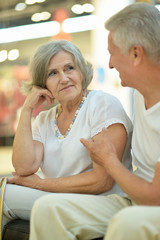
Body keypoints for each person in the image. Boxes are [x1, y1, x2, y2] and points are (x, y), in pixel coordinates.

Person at [28, 2, 160, 240]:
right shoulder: (141, 93)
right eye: (52, 73)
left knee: (127, 223)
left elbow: (153, 197)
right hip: (132, 199)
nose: (109, 63)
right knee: (47, 209)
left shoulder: (103, 103)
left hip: (149, 202)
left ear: (136, 54)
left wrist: (109, 161)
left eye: (112, 53)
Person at [2, 40, 132, 233]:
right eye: (52, 73)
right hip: (61, 198)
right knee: (2, 194)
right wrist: (27, 110)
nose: (64, 78)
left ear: (81, 72)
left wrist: (41, 184)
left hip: (104, 201)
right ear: (42, 84)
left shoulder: (102, 104)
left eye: (69, 68)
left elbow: (102, 181)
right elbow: (24, 167)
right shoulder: (45, 119)